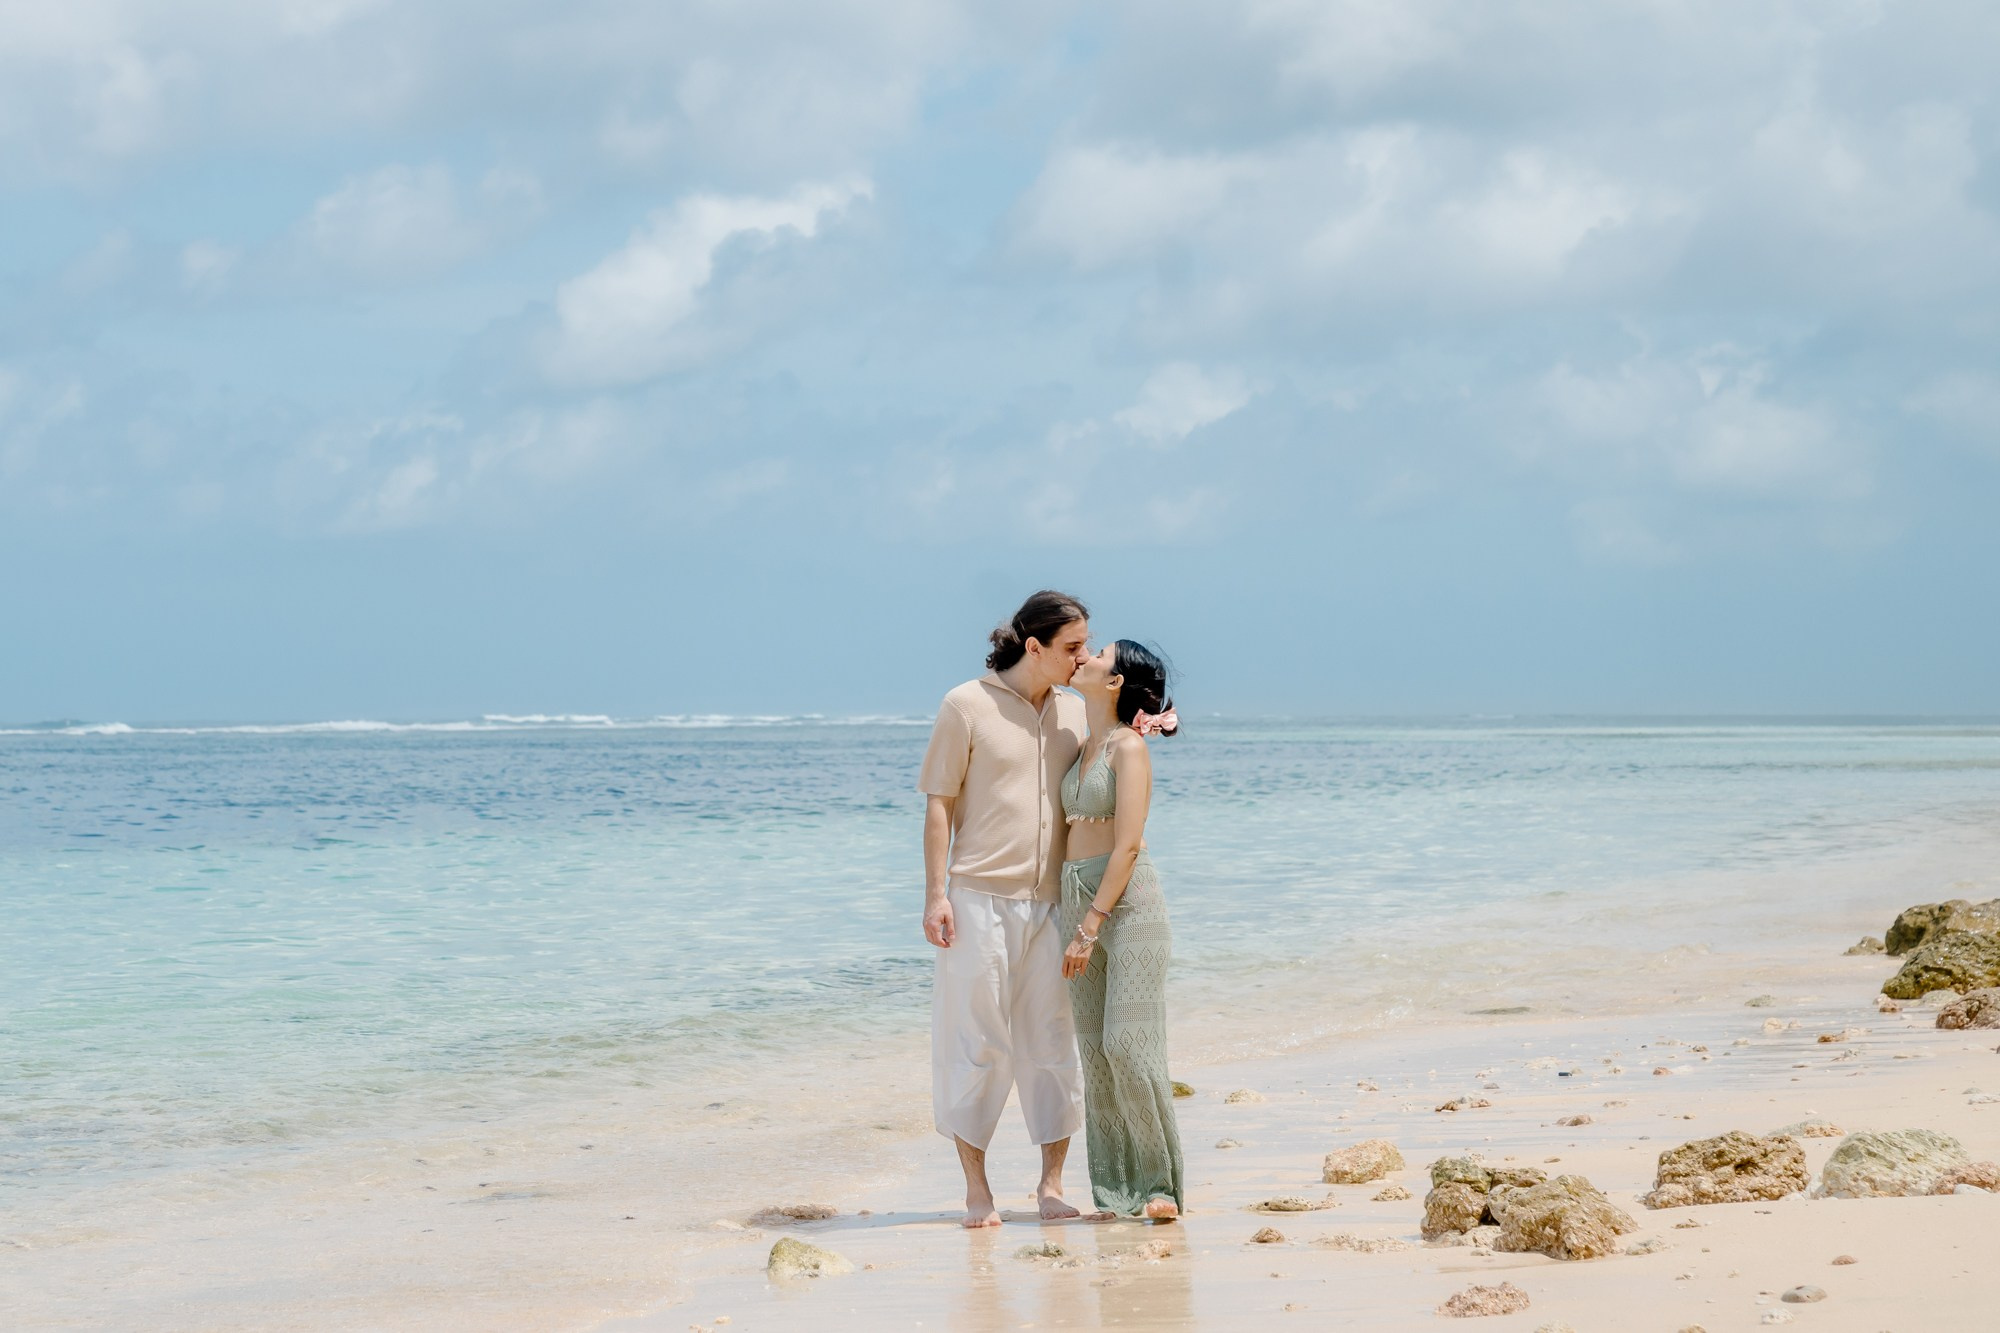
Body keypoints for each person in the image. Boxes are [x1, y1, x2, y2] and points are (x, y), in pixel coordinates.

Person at [918, 590, 1094, 1227]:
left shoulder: (1077, 712)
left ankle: (1051, 1187)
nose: (1081, 658)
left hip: (1053, 904)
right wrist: (936, 894)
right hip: (976, 899)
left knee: (1053, 1045)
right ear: (1034, 646)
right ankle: (977, 1191)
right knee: (978, 1044)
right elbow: (939, 803)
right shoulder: (965, 704)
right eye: (1072, 647)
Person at [1058, 639, 1185, 1220]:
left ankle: (1159, 1185)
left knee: (1127, 1045)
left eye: (1099, 652)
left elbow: (1128, 844)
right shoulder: (1084, 743)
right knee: (1093, 1051)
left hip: (1126, 908)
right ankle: (1114, 1190)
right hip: (1074, 898)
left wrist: (1089, 925)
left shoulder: (1129, 747)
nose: (1084, 655)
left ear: (1115, 682)